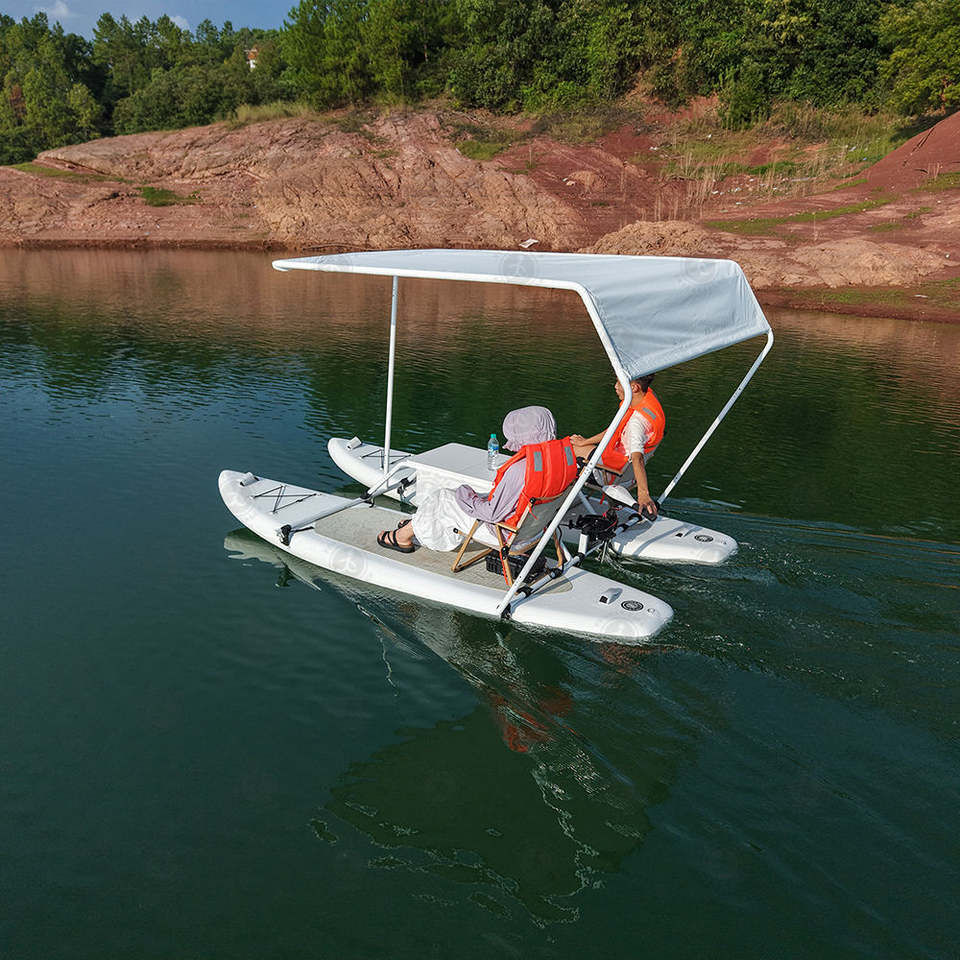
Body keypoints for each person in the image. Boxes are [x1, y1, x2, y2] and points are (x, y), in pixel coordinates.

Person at [377, 406, 576, 554]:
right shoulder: (563, 462)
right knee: (463, 496)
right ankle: (418, 521)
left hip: (504, 533)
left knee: (443, 496)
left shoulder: (520, 470)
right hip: (534, 531)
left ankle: (402, 537)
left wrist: (465, 494)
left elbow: (491, 513)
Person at [570, 374, 664, 520]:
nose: (615, 386)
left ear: (634, 387)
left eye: (619, 383)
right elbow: (614, 430)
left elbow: (637, 458)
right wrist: (586, 441)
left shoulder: (636, 423)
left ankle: (552, 502)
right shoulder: (647, 399)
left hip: (609, 472)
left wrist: (643, 494)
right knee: (578, 446)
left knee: (566, 448)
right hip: (627, 473)